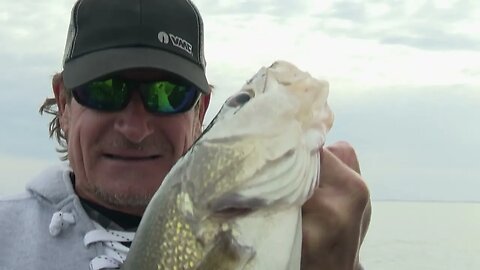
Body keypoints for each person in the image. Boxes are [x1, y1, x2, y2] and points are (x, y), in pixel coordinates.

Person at [0, 0, 371, 269]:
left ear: (201, 112)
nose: (135, 128)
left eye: (168, 95)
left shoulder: (302, 236)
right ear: (64, 103)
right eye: (105, 90)